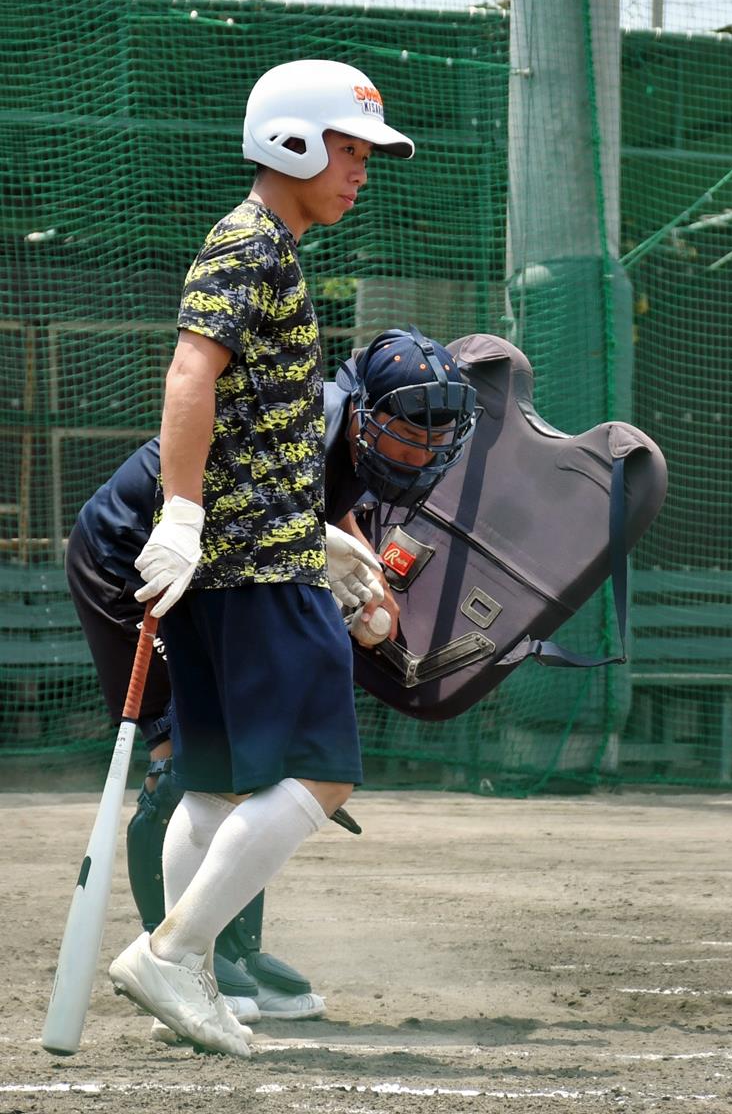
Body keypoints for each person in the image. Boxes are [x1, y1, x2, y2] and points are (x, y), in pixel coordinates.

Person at [101, 55, 470, 1059]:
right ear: (295, 142)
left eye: (364, 153)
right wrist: (180, 512)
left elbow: (257, 424)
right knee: (322, 772)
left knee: (217, 783)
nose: (361, 170)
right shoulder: (250, 246)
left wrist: (319, 532)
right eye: (349, 149)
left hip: (247, 559)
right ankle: (175, 953)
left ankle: (186, 971)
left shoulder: (268, 248)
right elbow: (190, 371)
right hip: (252, 566)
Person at [66, 325, 476, 1038]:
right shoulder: (307, 420)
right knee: (178, 766)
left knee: (239, 776)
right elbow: (237, 498)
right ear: (363, 412)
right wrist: (324, 549)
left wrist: (361, 574)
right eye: (409, 432)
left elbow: (321, 500)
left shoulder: (349, 439)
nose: (422, 452)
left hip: (224, 567)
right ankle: (181, 957)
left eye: (437, 438)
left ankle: (227, 951)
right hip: (131, 558)